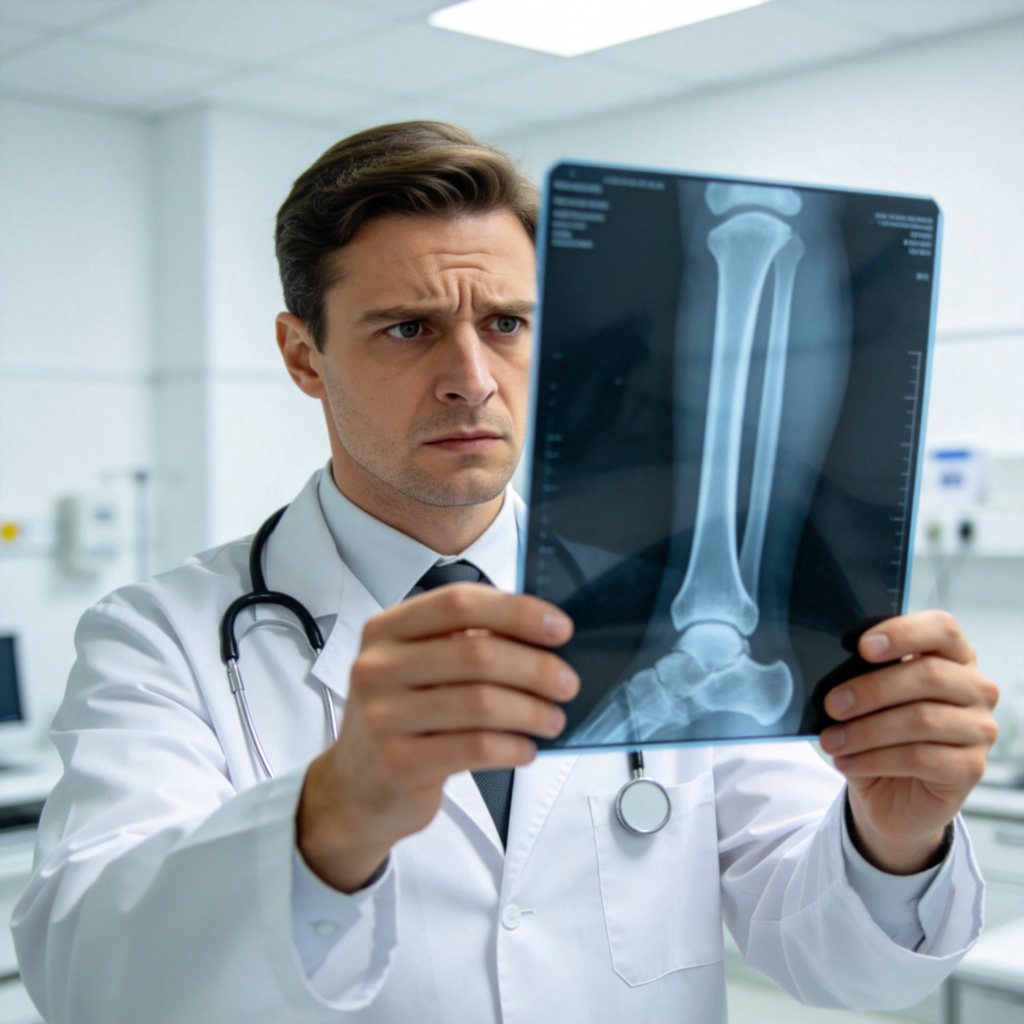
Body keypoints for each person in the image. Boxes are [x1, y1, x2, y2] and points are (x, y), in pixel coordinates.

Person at [13, 121, 998, 1024]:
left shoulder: (664, 618)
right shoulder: (162, 639)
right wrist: (331, 814)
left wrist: (894, 837)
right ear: (302, 354)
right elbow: (85, 977)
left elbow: (844, 964)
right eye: (407, 328)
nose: (472, 378)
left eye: (507, 325)